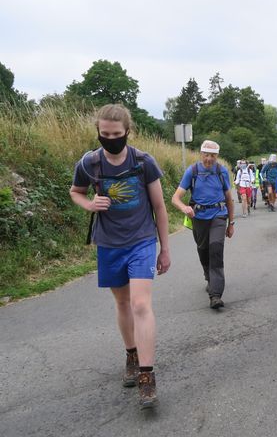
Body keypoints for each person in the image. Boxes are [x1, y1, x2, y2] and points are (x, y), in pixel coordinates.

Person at [69, 103, 171, 410]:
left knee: (141, 303)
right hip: (109, 244)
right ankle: (131, 353)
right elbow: (76, 191)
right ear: (98, 132)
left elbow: (160, 207)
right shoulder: (89, 163)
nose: (110, 138)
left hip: (140, 240)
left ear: (127, 131)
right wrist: (89, 204)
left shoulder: (143, 161)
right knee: (123, 303)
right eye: (105, 134)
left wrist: (164, 248)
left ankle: (146, 375)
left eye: (116, 134)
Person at [171, 140, 235, 310]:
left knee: (216, 249)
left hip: (218, 216)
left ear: (217, 156)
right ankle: (208, 276)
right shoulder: (192, 171)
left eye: (212, 155)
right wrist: (185, 207)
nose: (209, 159)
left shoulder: (221, 172)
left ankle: (215, 295)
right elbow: (175, 198)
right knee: (203, 250)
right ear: (201, 154)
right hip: (199, 218)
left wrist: (231, 223)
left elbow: (229, 199)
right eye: (206, 155)